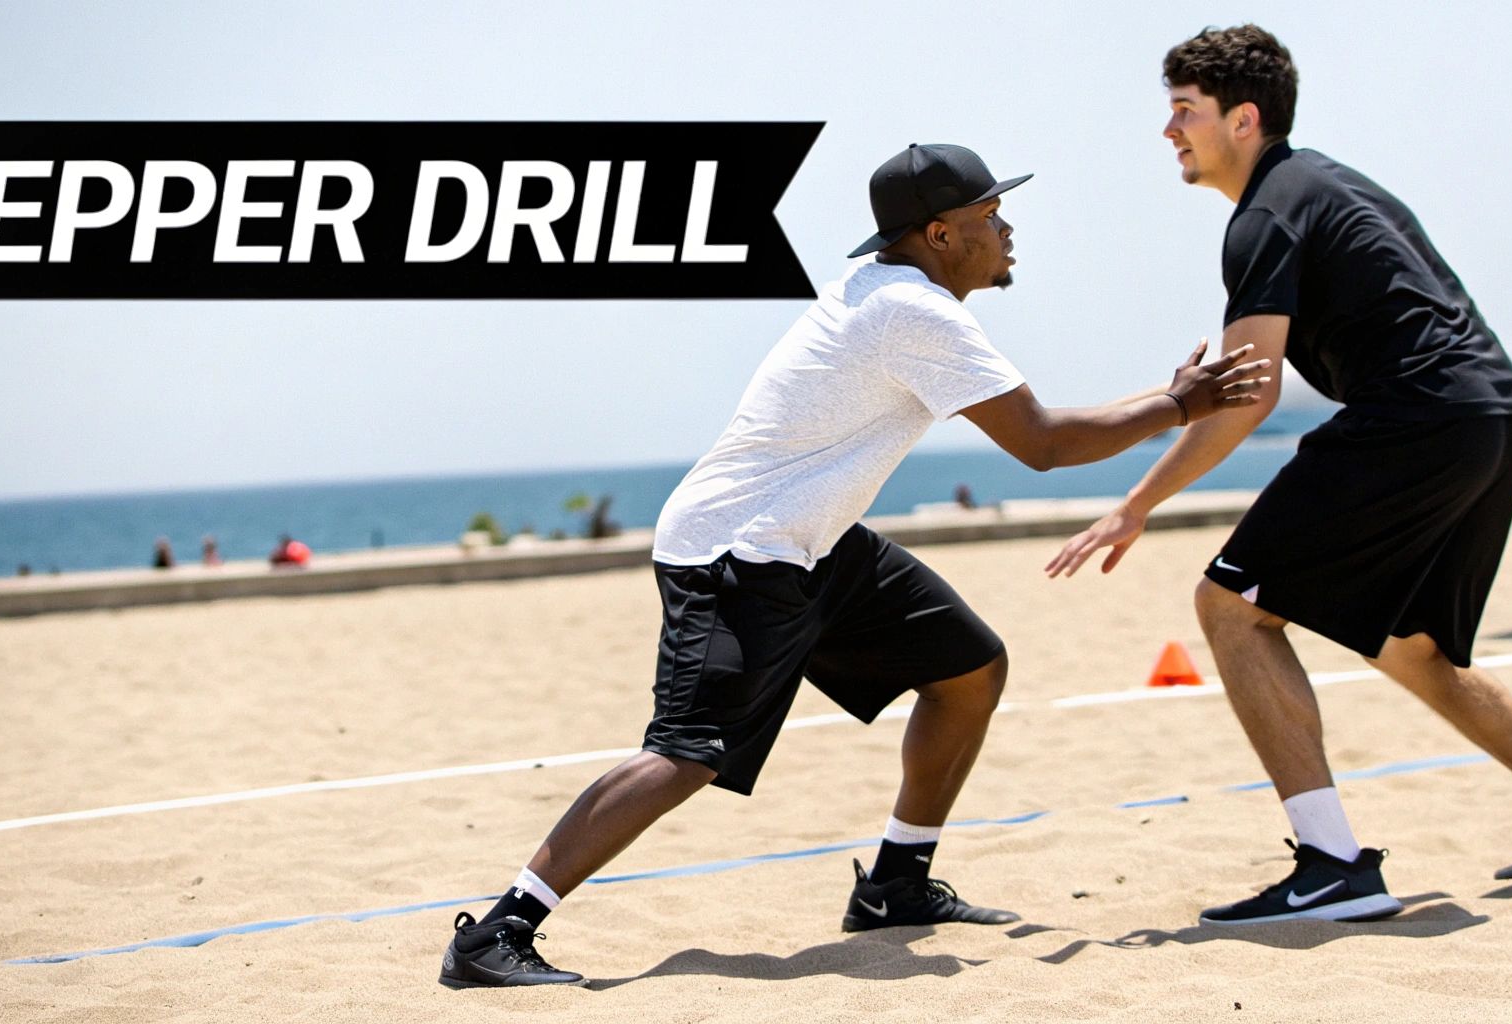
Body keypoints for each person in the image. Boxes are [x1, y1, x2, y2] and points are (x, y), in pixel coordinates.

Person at [438, 142, 1270, 989]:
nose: (1007, 230)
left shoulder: (895, 294)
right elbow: (1044, 444)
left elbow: (1044, 428)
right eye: (990, 217)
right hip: (739, 550)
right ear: (941, 234)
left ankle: (895, 886)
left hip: (817, 541)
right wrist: (1178, 404)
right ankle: (499, 929)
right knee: (689, 751)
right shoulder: (914, 313)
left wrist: (1170, 404)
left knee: (968, 668)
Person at [1047, 25, 1512, 926]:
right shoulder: (1329, 179)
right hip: (1492, 412)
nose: (1168, 131)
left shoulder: (1264, 216)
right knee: (1411, 645)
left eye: (1184, 112)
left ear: (1242, 119)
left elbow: (1248, 396)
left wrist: (1135, 504)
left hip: (1416, 416)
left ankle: (1331, 864)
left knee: (1231, 607)